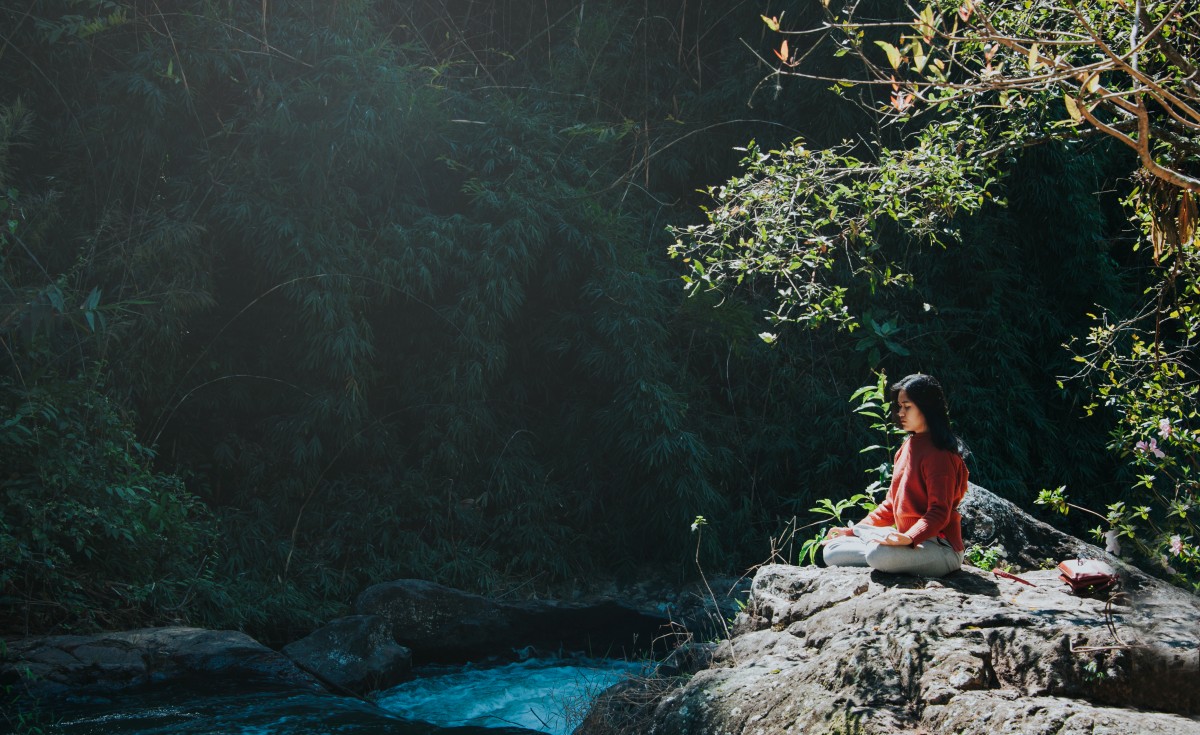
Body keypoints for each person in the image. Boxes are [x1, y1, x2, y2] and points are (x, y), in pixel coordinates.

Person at [821, 373, 969, 577]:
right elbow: (890, 506)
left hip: (940, 548)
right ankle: (881, 550)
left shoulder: (940, 455)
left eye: (907, 407)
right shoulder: (907, 447)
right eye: (899, 407)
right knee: (832, 550)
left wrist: (909, 537)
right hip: (905, 542)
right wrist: (853, 530)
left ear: (927, 408)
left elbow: (939, 512)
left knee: (877, 554)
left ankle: (884, 553)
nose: (900, 413)